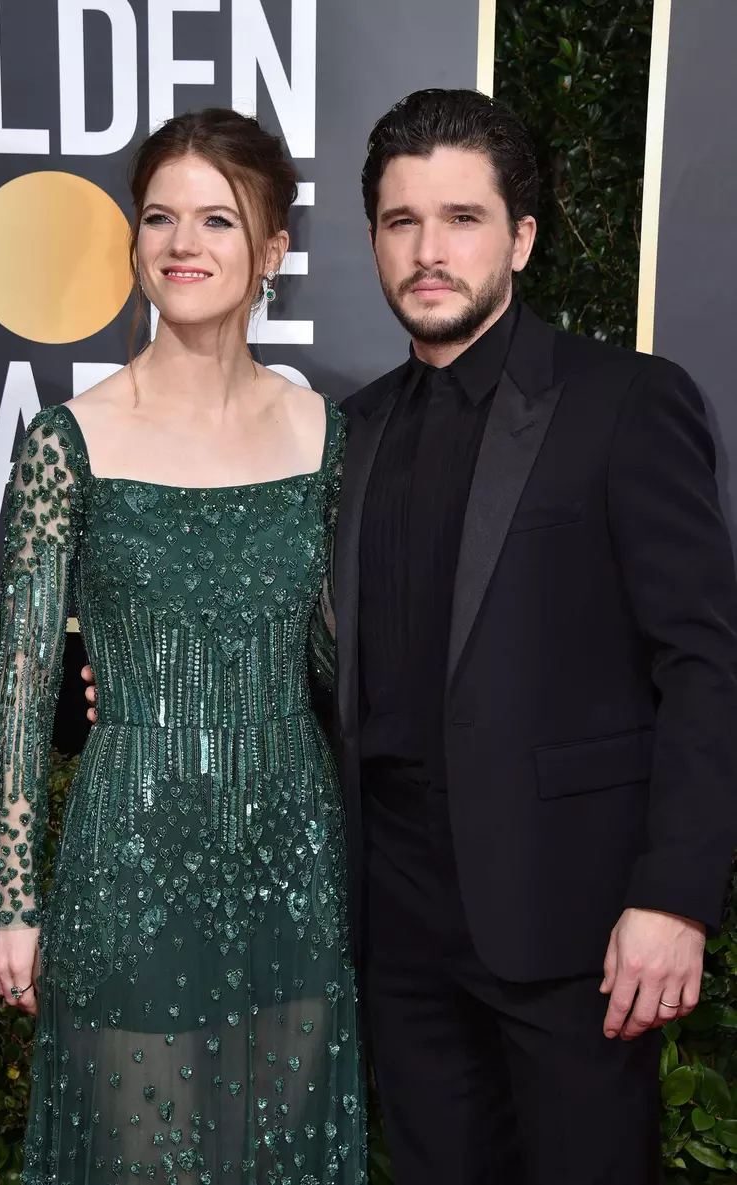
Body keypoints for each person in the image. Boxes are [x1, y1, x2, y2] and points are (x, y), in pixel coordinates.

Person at [328, 88, 737, 1185]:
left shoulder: (624, 402)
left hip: (579, 926)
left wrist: (674, 898)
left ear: (520, 238)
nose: (427, 250)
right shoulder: (349, 435)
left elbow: (705, 663)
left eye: (461, 218)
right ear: (372, 238)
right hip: (399, 928)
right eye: (401, 220)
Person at [0, 107, 365, 1185]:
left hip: (292, 853)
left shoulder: (325, 437)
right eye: (159, 217)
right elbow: (22, 681)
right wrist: (11, 899)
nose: (182, 243)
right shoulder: (70, 440)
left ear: (273, 253)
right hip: (130, 854)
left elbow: (339, 669)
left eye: (217, 219)